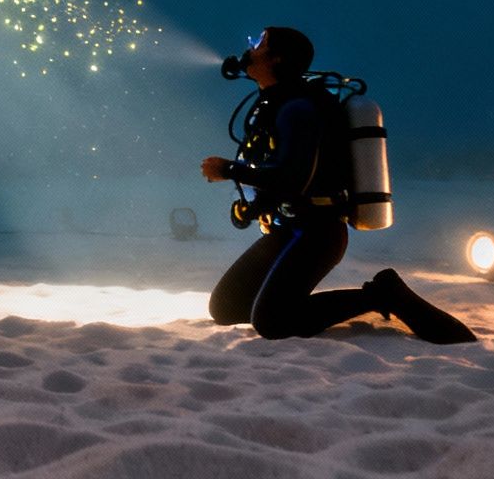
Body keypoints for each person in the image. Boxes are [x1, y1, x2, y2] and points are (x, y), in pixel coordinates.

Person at [201, 27, 475, 344]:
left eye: (259, 43)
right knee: (226, 307)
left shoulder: (298, 109)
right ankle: (359, 298)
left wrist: (229, 169)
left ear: (277, 58)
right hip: (288, 229)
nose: (250, 48)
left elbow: (293, 180)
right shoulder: (275, 105)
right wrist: (251, 209)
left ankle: (382, 295)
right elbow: (273, 175)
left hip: (318, 233)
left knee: (273, 322)